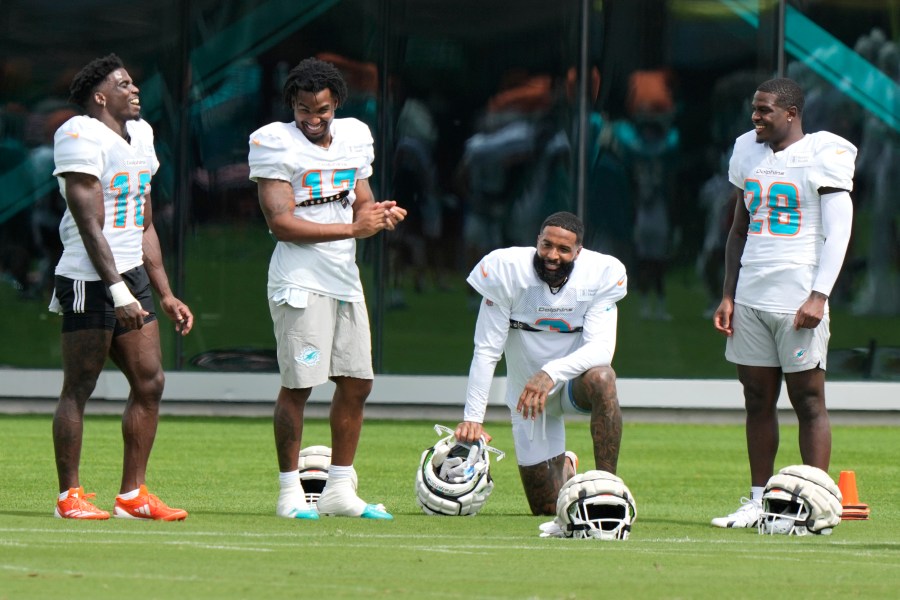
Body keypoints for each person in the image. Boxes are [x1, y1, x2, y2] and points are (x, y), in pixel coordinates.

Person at [248, 57, 405, 520]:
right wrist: (354, 231)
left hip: (343, 278)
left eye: (321, 111)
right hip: (300, 280)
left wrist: (379, 216)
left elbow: (362, 200)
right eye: (303, 110)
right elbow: (281, 224)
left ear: (336, 103)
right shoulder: (273, 142)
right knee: (299, 385)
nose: (312, 120)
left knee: (357, 382)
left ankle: (339, 488)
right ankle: (289, 492)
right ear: (291, 106)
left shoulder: (355, 135)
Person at [49, 54, 194, 521]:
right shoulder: (78, 134)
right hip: (88, 277)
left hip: (130, 271)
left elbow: (144, 223)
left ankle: (132, 496)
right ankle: (69, 497)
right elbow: (90, 226)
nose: (135, 90)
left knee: (150, 381)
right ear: (99, 96)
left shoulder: (144, 134)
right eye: (124, 84)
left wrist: (165, 292)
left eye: (134, 83)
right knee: (81, 385)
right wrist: (118, 293)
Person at [711, 78, 856, 528]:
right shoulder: (747, 150)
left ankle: (815, 502)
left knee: (808, 400)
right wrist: (729, 294)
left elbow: (840, 231)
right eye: (754, 109)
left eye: (765, 110)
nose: (756, 117)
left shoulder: (823, 152)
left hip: (798, 295)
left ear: (791, 113)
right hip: (752, 293)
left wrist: (820, 294)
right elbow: (739, 229)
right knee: (757, 398)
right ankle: (759, 499)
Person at [455, 211, 627, 515]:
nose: (552, 255)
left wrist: (550, 372)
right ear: (537, 241)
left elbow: (601, 350)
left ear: (578, 252)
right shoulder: (505, 270)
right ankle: (567, 467)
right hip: (528, 399)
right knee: (546, 509)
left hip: (574, 388)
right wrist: (473, 418)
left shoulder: (602, 272)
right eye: (546, 245)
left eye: (563, 249)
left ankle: (607, 488)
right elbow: (486, 350)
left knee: (603, 377)